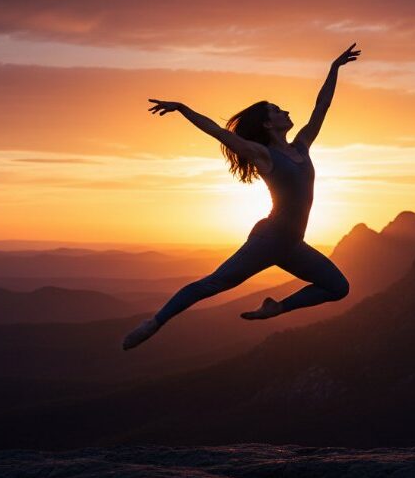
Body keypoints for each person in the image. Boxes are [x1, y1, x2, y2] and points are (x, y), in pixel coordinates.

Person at [122, 43, 361, 351]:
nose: (286, 111)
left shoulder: (301, 146)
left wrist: (333, 68)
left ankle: (277, 308)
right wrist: (182, 108)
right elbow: (219, 133)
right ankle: (154, 323)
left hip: (291, 244)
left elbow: (322, 107)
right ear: (266, 124)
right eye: (277, 110)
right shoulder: (263, 155)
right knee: (214, 284)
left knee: (338, 287)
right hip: (269, 239)